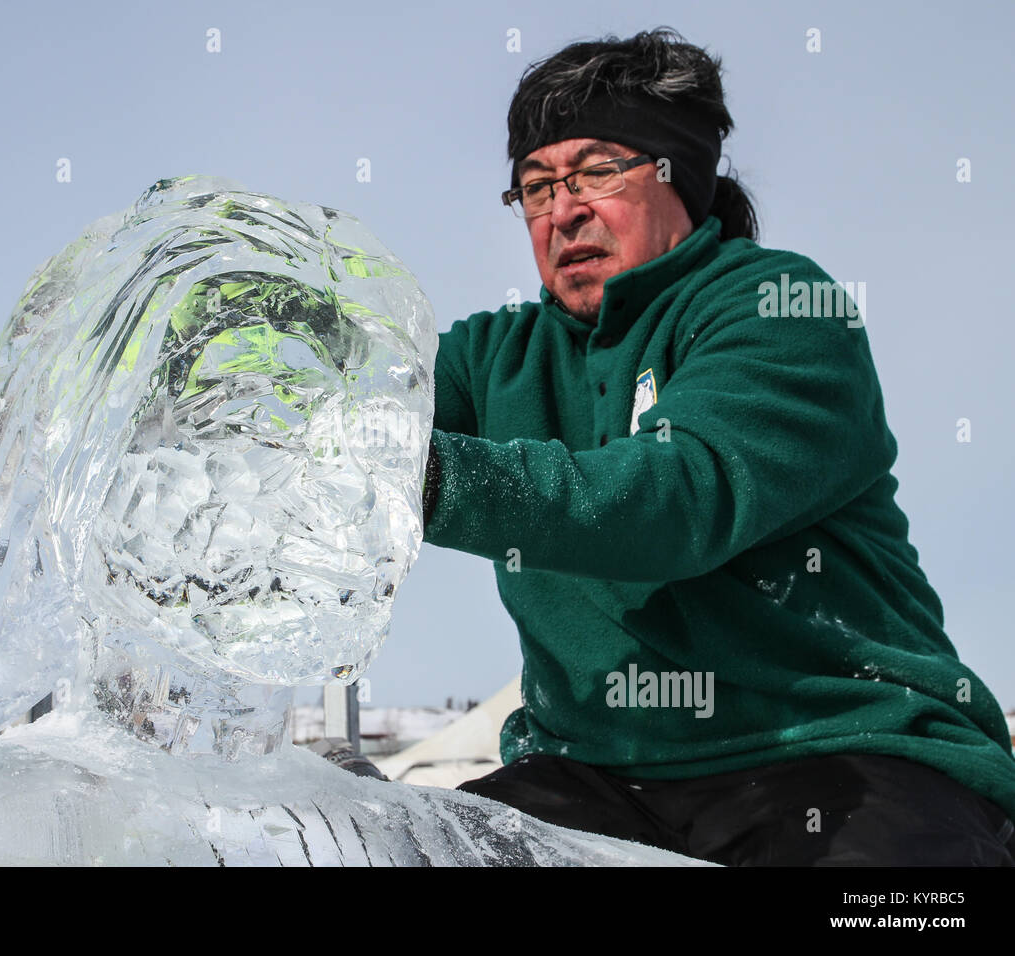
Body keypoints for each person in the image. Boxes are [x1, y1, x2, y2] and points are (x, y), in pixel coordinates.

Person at [420, 28, 1015, 866]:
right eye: (535, 185)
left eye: (596, 172)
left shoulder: (779, 307)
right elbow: (355, 402)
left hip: (840, 750)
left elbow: (678, 500)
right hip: (593, 774)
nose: (562, 211)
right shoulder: (491, 358)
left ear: (678, 176)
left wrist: (417, 477)